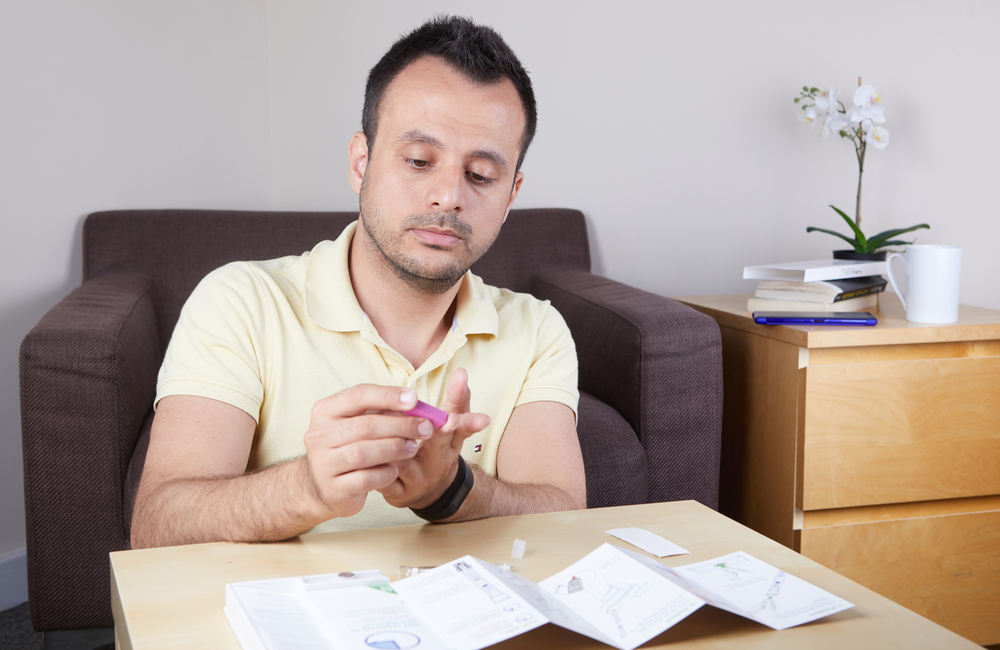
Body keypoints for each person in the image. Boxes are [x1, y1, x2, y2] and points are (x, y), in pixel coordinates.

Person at [131, 15, 585, 548]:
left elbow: (563, 515)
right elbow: (156, 526)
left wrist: (451, 489)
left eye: (481, 175)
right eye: (419, 161)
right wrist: (307, 488)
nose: (448, 196)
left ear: (510, 196)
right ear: (361, 162)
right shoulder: (238, 301)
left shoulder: (538, 329)